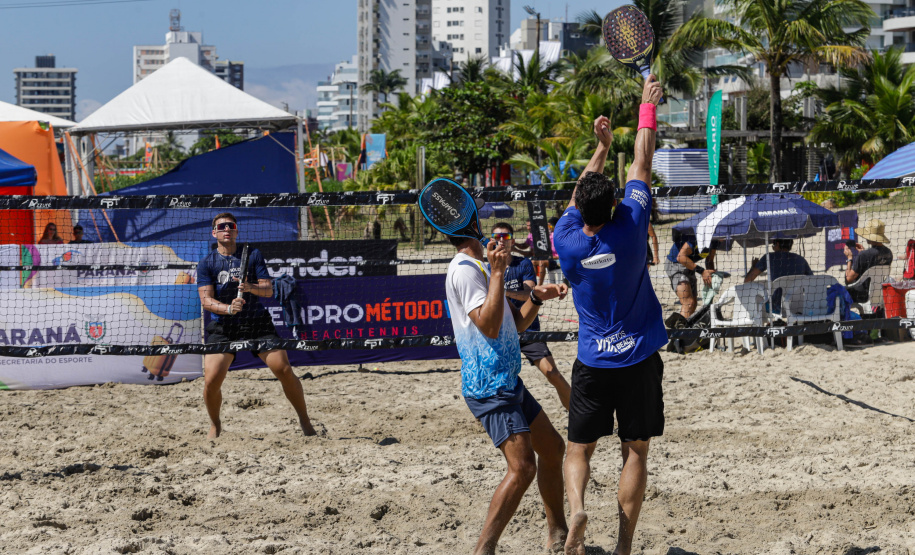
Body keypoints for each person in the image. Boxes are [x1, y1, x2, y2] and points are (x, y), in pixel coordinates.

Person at [553, 76, 667, 555]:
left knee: (578, 449)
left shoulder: (567, 241)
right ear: (615, 204)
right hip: (637, 358)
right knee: (635, 450)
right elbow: (642, 160)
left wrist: (599, 147)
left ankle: (577, 506)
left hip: (593, 363)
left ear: (581, 211)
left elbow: (580, 194)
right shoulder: (632, 225)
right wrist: (646, 107)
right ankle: (623, 545)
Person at [445, 222, 569, 554]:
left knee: (554, 448)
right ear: (472, 229)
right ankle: (483, 550)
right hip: (489, 385)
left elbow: (515, 323)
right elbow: (486, 325)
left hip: (507, 379)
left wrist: (536, 298)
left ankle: (558, 533)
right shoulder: (463, 271)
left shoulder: (480, 268)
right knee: (523, 467)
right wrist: (498, 272)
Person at [197, 213, 317, 439]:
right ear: (214, 233)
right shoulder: (207, 263)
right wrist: (229, 309)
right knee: (211, 380)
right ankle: (215, 424)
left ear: (236, 231)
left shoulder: (252, 255)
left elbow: (268, 290)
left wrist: (249, 286)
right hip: (224, 326)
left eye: (231, 226)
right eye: (221, 226)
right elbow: (206, 301)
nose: (226, 229)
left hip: (256, 321)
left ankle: (305, 420)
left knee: (283, 369)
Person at [492, 221, 572, 410]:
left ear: (512, 241)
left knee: (553, 373)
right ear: (492, 241)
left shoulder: (523, 263)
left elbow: (529, 293)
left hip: (527, 327)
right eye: (497, 237)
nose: (502, 241)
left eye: (506, 237)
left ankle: (578, 416)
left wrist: (502, 292)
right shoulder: (487, 269)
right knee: (495, 382)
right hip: (499, 333)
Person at [664, 233, 719, 319]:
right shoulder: (697, 237)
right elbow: (681, 257)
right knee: (688, 303)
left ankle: (685, 327)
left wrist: (711, 275)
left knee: (693, 303)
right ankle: (680, 331)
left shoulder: (716, 239)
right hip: (675, 264)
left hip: (689, 265)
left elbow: (709, 259)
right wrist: (702, 271)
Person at [844, 219, 893, 303]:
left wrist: (849, 258)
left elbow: (848, 279)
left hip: (861, 295)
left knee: (836, 291)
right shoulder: (889, 253)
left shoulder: (864, 255)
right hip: (880, 292)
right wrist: (863, 253)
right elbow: (874, 261)